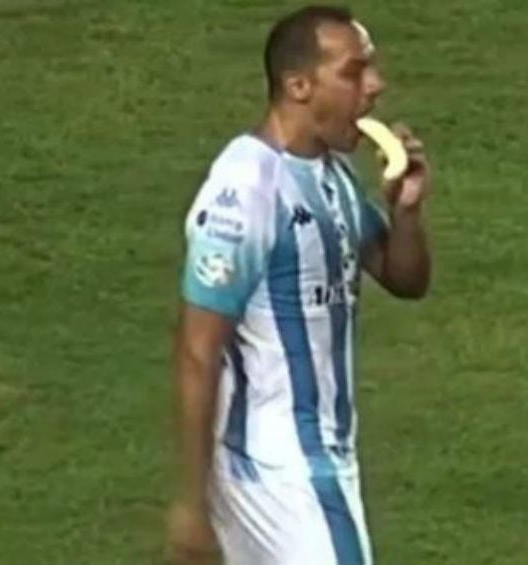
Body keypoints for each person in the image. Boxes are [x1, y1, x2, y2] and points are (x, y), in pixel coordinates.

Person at [166, 5, 432, 564]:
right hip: (281, 470)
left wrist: (406, 211)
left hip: (315, 459)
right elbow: (198, 349)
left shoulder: (331, 179)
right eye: (355, 72)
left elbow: (403, 278)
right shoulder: (247, 191)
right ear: (299, 85)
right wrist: (189, 506)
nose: (375, 87)